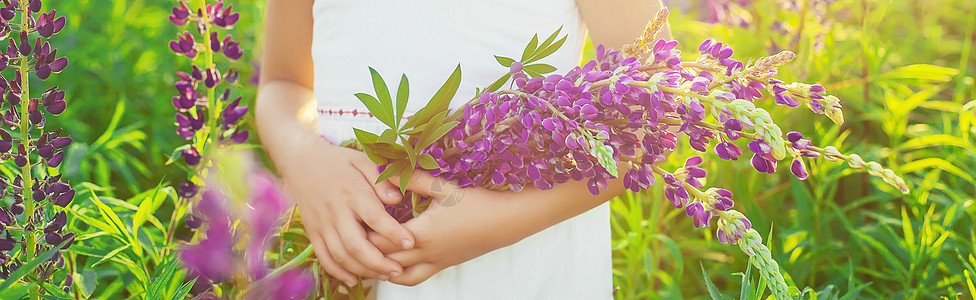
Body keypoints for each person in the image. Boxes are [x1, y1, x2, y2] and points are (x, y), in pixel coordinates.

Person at [256, 0, 669, 298]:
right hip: (349, 260)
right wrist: (303, 157)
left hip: (524, 264)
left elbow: (656, 111)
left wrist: (502, 222)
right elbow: (282, 84)